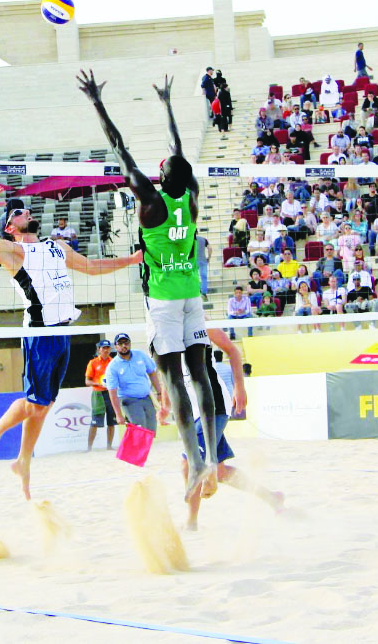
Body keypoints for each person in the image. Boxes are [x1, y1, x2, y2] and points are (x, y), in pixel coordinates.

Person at [80, 69, 221, 501]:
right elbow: (179, 152)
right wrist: (167, 105)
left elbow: (119, 148)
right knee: (200, 375)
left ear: (161, 177)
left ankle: (196, 463)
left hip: (163, 300)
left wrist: (97, 102)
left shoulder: (151, 201)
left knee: (175, 379)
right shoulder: (190, 196)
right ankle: (212, 457)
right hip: (191, 295)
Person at [0, 187, 141, 499]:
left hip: (62, 332)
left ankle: (23, 461)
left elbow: (92, 268)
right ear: (10, 227)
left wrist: (133, 259)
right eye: (18, 212)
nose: (27, 212)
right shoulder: (13, 251)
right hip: (40, 332)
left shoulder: (56, 246)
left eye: (26, 210)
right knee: (34, 403)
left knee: (43, 405)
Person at [179, 328, 283, 531]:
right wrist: (166, 401)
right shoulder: (167, 330)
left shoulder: (200, 324)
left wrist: (239, 386)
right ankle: (272, 498)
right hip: (196, 410)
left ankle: (191, 522)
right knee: (220, 472)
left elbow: (233, 351)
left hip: (214, 404)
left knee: (188, 464)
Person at [103, 332, 168, 434]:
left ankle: (141, 444)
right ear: (115, 346)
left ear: (130, 343)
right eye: (120, 344)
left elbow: (152, 373)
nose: (124, 346)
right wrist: (118, 414)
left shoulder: (140, 355)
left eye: (126, 343)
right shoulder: (113, 366)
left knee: (151, 430)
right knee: (139, 427)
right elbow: (112, 392)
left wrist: (159, 393)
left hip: (146, 397)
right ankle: (135, 443)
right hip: (128, 399)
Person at [84, 340, 117, 451]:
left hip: (110, 393)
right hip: (98, 394)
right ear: (99, 349)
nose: (106, 350)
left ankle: (109, 446)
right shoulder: (93, 363)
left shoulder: (113, 362)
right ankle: (89, 448)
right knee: (95, 421)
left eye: (108, 348)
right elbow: (87, 381)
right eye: (103, 348)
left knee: (111, 421)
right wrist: (99, 383)